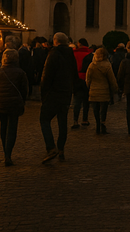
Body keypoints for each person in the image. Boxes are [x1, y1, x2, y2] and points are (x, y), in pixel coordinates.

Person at [39, 32, 79, 163]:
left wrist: (43, 94)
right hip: (66, 93)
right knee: (63, 122)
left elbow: (47, 76)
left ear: (55, 41)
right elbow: (74, 74)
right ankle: (61, 149)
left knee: (44, 120)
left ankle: (51, 147)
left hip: (53, 93)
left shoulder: (53, 54)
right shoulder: (70, 54)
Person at [0, 48, 29, 166]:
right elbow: (24, 90)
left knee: (3, 127)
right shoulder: (20, 72)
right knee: (12, 128)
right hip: (14, 103)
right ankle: (8, 153)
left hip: (1, 102)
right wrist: (22, 100)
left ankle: (5, 152)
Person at [85, 47, 118, 135]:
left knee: (95, 109)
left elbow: (88, 79)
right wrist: (115, 89)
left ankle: (97, 124)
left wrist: (89, 88)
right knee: (103, 110)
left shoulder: (91, 65)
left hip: (94, 90)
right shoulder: (107, 65)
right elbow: (112, 79)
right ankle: (102, 124)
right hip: (104, 91)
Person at [71, 38, 92, 128]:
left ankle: (75, 120)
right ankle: (85, 119)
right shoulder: (90, 54)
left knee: (77, 101)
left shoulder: (74, 54)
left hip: (77, 78)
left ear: (80, 45)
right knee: (86, 101)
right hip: (87, 79)